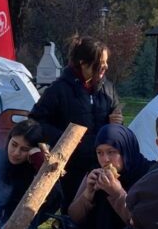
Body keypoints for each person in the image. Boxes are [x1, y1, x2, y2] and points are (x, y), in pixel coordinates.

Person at [29, 36, 122, 212]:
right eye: (100, 62)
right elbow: (36, 120)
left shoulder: (107, 88)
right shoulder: (59, 89)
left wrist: (116, 122)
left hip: (101, 162)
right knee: (72, 210)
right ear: (83, 63)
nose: (105, 66)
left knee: (100, 211)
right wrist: (67, 140)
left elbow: (116, 116)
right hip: (72, 166)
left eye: (106, 62)